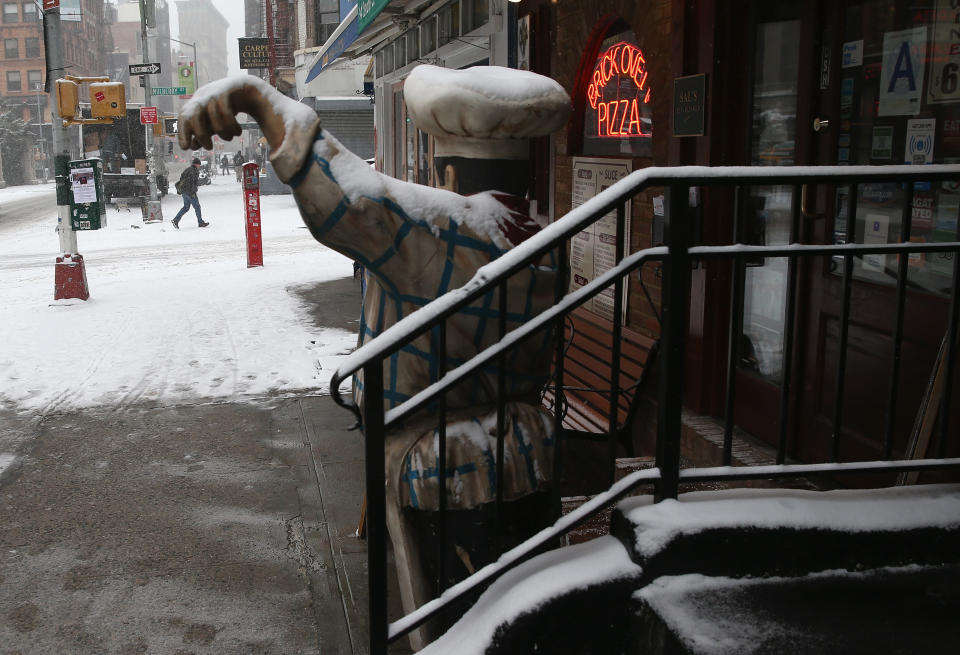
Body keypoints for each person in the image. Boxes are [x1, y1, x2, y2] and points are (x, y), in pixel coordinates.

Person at [177, 66, 569, 645]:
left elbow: (349, 196)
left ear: (450, 172)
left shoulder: (443, 235)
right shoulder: (544, 243)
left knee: (449, 619)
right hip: (528, 445)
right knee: (525, 600)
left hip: (438, 462)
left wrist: (256, 96)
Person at [172, 158, 209, 229]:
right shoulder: (195, 171)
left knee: (186, 207)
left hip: (184, 192)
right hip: (190, 192)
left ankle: (176, 220)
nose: (199, 166)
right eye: (199, 164)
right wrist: (193, 191)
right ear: (196, 164)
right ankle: (200, 222)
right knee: (197, 207)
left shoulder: (187, 169)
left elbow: (181, 178)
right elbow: (193, 182)